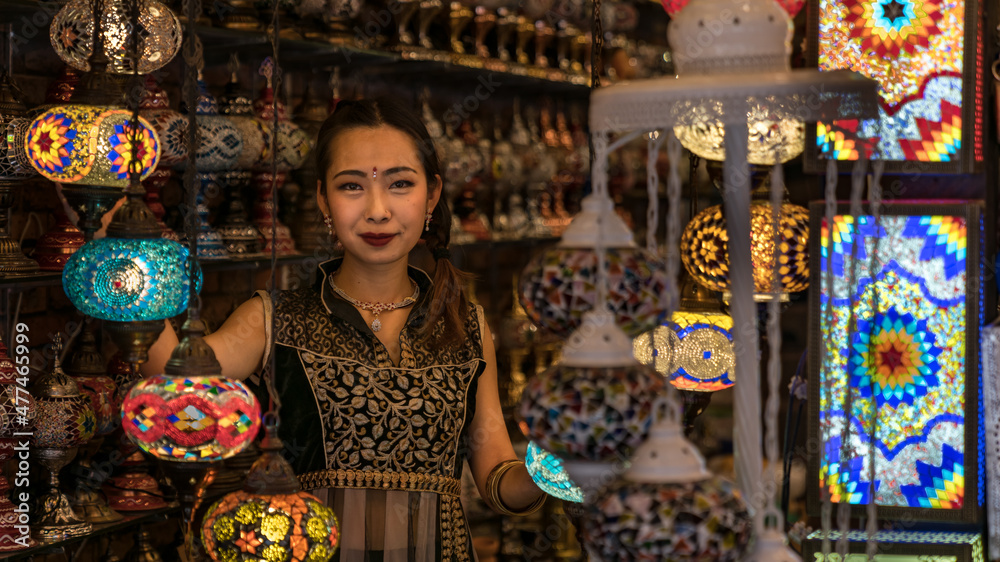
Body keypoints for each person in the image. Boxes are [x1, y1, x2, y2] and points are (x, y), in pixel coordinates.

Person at [144, 97, 545, 561]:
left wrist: (554, 468)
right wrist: (124, 271)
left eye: (400, 184)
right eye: (352, 186)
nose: (377, 211)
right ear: (323, 200)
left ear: (432, 195)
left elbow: (499, 480)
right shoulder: (274, 320)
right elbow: (175, 385)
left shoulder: (465, 325)